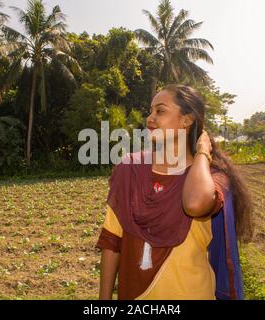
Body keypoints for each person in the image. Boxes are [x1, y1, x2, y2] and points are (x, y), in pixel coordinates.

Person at [96, 84, 254, 300]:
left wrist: (202, 153)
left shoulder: (212, 178)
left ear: (186, 120)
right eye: (150, 111)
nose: (150, 118)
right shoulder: (129, 169)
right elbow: (112, 241)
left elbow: (195, 204)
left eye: (160, 111)